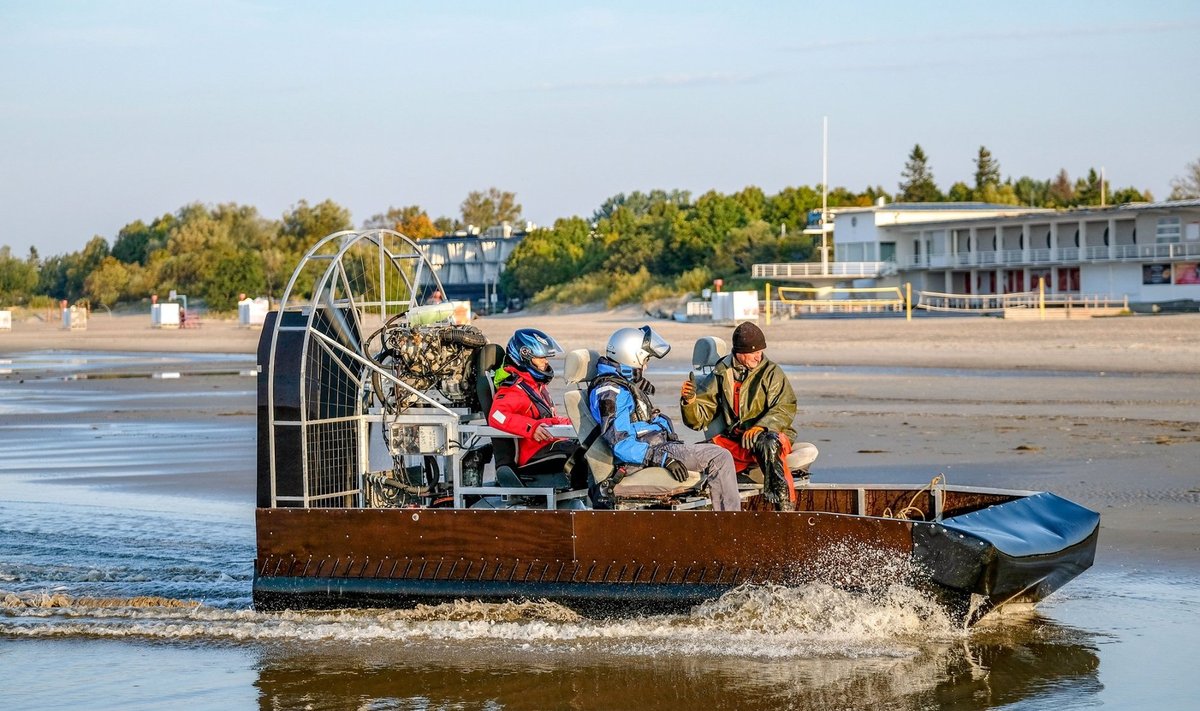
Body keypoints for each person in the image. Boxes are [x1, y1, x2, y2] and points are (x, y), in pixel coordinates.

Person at [588, 325, 741, 511]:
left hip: (656, 449)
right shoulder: (611, 392)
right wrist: (662, 458)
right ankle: (730, 525)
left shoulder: (622, 386)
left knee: (716, 447)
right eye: (645, 359)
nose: (646, 365)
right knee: (719, 456)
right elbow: (620, 443)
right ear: (630, 356)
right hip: (644, 458)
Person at [680, 321, 809, 511]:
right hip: (736, 440)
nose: (759, 357)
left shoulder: (772, 373)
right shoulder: (721, 372)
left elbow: (785, 407)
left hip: (772, 435)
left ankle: (785, 509)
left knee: (768, 443)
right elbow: (699, 420)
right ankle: (702, 509)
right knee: (695, 454)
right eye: (753, 352)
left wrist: (761, 427)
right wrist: (689, 402)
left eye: (760, 352)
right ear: (739, 353)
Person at [488, 328, 578, 479]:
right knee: (583, 454)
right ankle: (599, 499)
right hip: (533, 453)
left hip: (548, 444)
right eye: (540, 357)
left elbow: (549, 419)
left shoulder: (536, 387)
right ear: (524, 357)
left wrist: (575, 424)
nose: (546, 361)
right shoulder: (513, 389)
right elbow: (496, 416)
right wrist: (531, 427)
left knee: (591, 446)